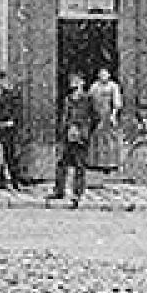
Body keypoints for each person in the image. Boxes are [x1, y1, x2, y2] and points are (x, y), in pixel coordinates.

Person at [49, 71, 98, 207]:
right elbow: (65, 117)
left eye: (77, 81)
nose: (74, 83)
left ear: (82, 82)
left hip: (81, 136)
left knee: (79, 165)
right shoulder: (68, 99)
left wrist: (86, 130)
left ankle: (77, 194)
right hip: (68, 135)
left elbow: (96, 117)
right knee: (61, 163)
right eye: (72, 81)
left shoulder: (88, 99)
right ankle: (59, 190)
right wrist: (63, 130)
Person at [87, 67, 123, 175]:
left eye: (105, 74)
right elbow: (89, 99)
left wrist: (113, 115)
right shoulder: (94, 86)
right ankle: (96, 163)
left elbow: (117, 103)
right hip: (97, 115)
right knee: (96, 138)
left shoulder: (113, 86)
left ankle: (110, 164)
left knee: (109, 138)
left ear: (109, 75)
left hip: (108, 114)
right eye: (101, 74)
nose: (103, 76)